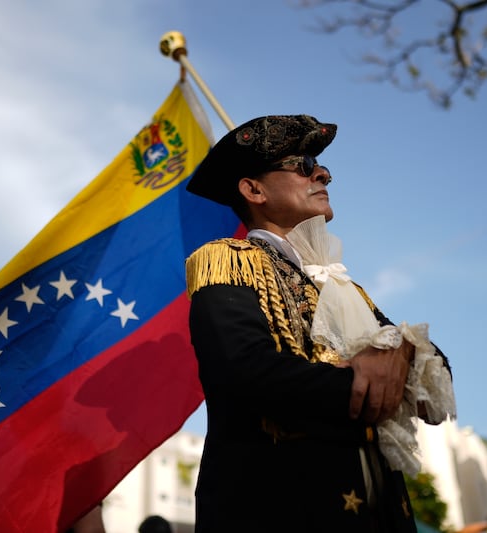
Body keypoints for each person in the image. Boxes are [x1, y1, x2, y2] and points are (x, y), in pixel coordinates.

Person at [184, 115, 453, 532]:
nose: (322, 172)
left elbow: (438, 378)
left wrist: (400, 351)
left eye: (321, 165)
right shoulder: (228, 260)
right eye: (302, 164)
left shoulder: (347, 287)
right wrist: (374, 383)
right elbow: (246, 372)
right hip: (281, 509)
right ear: (253, 189)